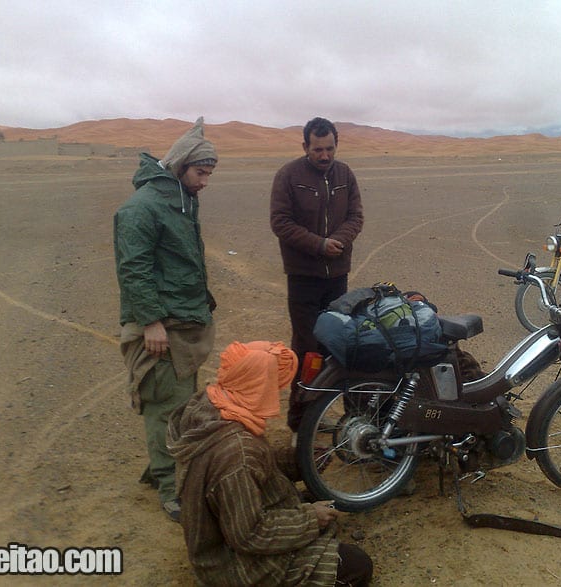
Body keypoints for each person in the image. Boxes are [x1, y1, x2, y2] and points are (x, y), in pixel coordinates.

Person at [167, 341, 373, 586]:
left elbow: (257, 467)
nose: (276, 392)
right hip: (233, 565)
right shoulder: (237, 453)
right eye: (270, 384)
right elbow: (249, 535)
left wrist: (299, 460)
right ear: (257, 385)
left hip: (222, 535)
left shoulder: (217, 405)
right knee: (357, 566)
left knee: (309, 506)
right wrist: (310, 518)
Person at [113, 117, 218, 522]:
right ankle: (170, 488)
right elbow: (133, 270)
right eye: (200, 172)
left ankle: (160, 469)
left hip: (185, 319)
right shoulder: (142, 209)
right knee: (165, 407)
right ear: (179, 166)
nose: (205, 181)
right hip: (161, 326)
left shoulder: (181, 199)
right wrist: (151, 322)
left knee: (180, 400)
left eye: (209, 173)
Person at [270, 117, 364, 434]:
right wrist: (318, 245)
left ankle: (354, 418)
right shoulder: (289, 176)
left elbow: (356, 216)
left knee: (340, 344)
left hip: (337, 276)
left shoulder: (345, 175)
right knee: (308, 349)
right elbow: (280, 222)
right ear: (305, 147)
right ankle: (300, 420)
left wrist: (340, 240)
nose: (324, 156)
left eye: (329, 149)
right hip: (303, 278)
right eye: (317, 149)